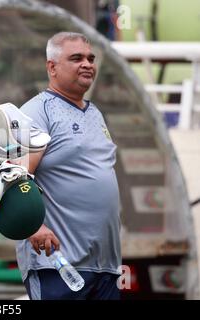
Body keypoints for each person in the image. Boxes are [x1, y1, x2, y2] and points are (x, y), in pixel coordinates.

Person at [15, 32, 122, 300]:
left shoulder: (95, 113)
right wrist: (32, 226)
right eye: (76, 58)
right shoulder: (37, 112)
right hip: (59, 264)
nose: (87, 64)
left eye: (90, 58)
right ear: (52, 67)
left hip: (106, 265)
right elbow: (13, 176)